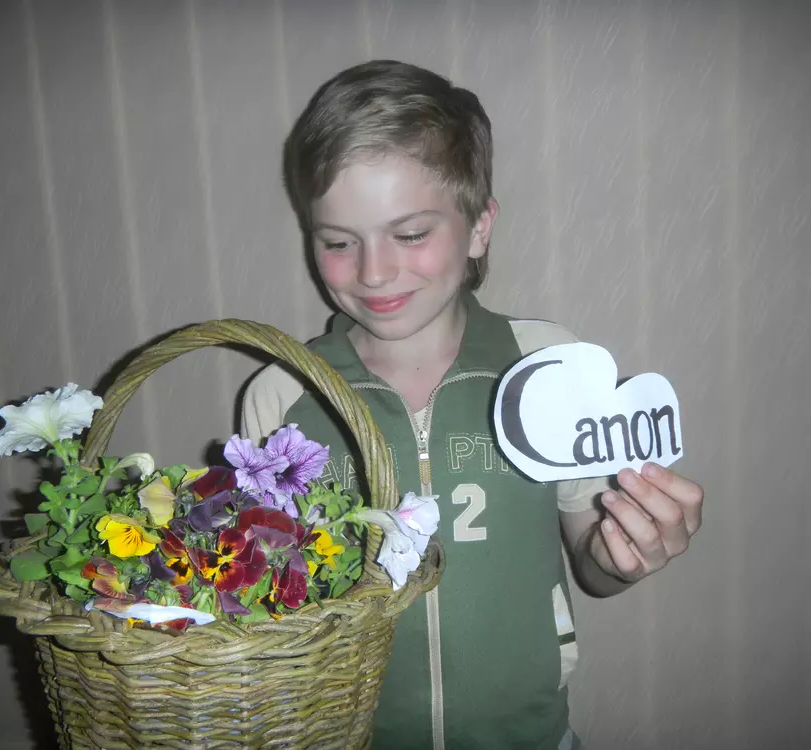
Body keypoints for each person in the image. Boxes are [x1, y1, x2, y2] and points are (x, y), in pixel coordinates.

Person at [241, 59, 704, 750]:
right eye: (337, 242)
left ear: (480, 227)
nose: (373, 272)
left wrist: (624, 552)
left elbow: (594, 565)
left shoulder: (549, 367)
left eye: (411, 234)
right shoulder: (282, 395)